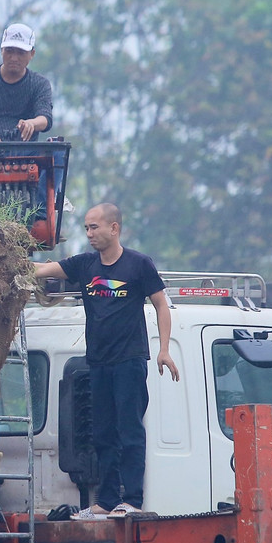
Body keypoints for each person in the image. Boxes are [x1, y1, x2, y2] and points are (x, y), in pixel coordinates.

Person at [33, 203, 180, 517]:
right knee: (102, 434)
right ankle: (106, 501)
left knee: (129, 431)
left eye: (94, 227)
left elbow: (161, 306)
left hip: (129, 360)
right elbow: (44, 270)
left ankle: (134, 500)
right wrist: (5, 260)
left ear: (114, 228)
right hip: (97, 362)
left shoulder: (139, 265)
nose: (89, 234)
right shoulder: (85, 265)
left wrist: (164, 349)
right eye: (86, 228)